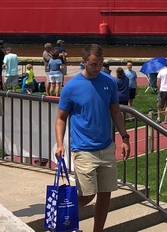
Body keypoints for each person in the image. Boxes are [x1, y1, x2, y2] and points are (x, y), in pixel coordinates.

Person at [55, 44, 130, 232]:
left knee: (105, 195)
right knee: (87, 195)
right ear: (83, 62)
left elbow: (115, 111)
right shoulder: (71, 87)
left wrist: (125, 137)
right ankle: (60, 219)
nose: (97, 68)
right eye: (93, 64)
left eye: (100, 64)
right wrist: (59, 144)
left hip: (106, 147)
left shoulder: (109, 82)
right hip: (83, 149)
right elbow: (60, 118)